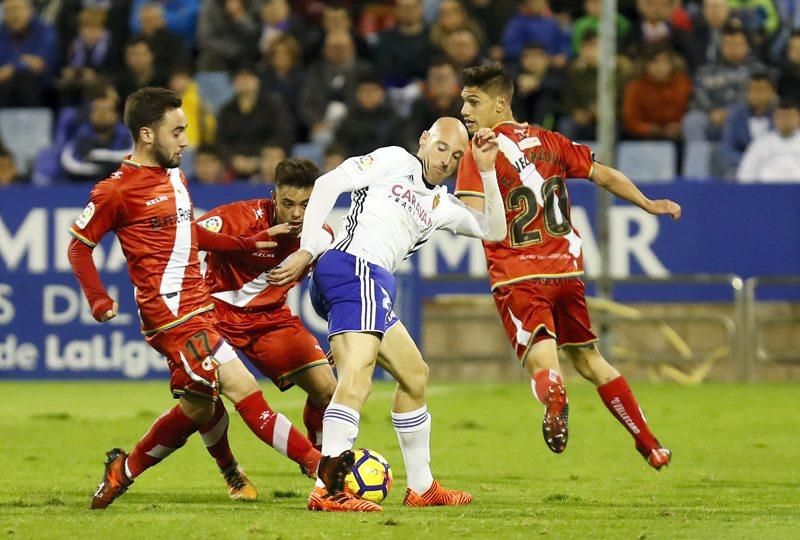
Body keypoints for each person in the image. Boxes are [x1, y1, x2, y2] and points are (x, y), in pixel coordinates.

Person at [68, 87, 324, 510]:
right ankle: (325, 471)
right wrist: (98, 300)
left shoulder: (174, 175)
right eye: (178, 131)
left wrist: (247, 242)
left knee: (199, 409)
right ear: (147, 134)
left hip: (197, 307)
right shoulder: (115, 191)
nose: (186, 140)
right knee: (244, 389)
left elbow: (190, 234)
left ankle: (122, 471)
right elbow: (78, 247)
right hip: (170, 316)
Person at [269, 117, 507, 511]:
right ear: (424, 140)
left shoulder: (442, 205)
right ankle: (326, 488)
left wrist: (487, 171)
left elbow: (494, 230)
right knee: (357, 379)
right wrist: (308, 248)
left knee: (414, 375)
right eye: (441, 147)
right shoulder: (395, 161)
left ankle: (422, 487)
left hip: (370, 283)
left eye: (456, 155)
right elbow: (328, 184)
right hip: (353, 267)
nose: (446, 159)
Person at [457, 63, 680, 469]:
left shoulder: (480, 150)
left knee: (545, 364)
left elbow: (473, 218)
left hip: (518, 275)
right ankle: (649, 443)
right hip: (565, 272)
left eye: (473, 102)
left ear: (500, 103)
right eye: (463, 103)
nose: (466, 112)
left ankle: (553, 391)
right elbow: (604, 175)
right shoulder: (553, 141)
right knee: (590, 360)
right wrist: (648, 203)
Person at [195, 158, 338, 451]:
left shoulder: (322, 236)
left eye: (305, 204)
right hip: (216, 316)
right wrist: (242, 244)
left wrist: (339, 332)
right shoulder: (238, 216)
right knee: (200, 402)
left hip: (270, 320)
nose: (297, 213)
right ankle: (230, 470)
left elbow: (329, 288)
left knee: (327, 391)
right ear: (274, 198)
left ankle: (325, 458)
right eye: (288, 203)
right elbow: (184, 235)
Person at [736, 98, 800, 182]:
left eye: (789, 116)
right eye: (781, 116)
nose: (785, 120)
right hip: (766, 191)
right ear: (775, 118)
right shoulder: (761, 143)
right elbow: (745, 175)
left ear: (798, 118)